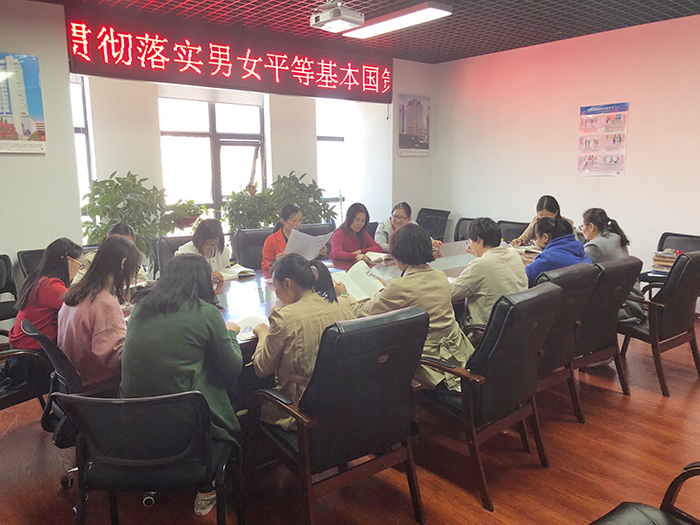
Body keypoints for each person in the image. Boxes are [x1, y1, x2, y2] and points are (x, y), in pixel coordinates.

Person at [120, 253, 243, 518]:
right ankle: (208, 484)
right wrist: (231, 333)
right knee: (217, 376)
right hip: (182, 427)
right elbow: (232, 368)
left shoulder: (141, 306)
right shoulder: (207, 313)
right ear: (204, 282)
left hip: (132, 421)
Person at [338, 223, 474, 392]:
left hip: (431, 365)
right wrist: (385, 290)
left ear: (398, 254)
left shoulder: (401, 287)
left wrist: (345, 294)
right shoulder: (439, 276)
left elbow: (362, 312)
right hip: (459, 354)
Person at [252, 254, 355, 429]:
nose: (276, 294)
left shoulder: (285, 317)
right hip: (343, 403)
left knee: (251, 403)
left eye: (275, 288)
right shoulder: (345, 305)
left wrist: (263, 334)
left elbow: (262, 369)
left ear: (287, 283)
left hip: (300, 411)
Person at [58, 236, 141, 392]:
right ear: (123, 264)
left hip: (75, 377)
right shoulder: (104, 302)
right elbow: (116, 358)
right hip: (99, 384)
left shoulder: (76, 292)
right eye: (134, 269)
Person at [1, 238, 83, 392]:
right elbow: (81, 309)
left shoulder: (38, 279)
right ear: (68, 261)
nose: (79, 270)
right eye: (80, 264)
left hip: (20, 356)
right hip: (31, 362)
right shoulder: (51, 286)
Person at [451, 218, 528, 326]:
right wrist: (481, 256)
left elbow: (451, 293)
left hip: (483, 329)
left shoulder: (481, 265)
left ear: (478, 239)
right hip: (514, 325)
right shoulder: (514, 256)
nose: (469, 245)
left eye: (469, 241)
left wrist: (447, 280)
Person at [581, 208, 646, 323]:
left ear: (591, 226)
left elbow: (580, 272)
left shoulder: (594, 247)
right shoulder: (617, 237)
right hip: (635, 303)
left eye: (582, 226)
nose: (581, 230)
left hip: (621, 308)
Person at [525, 217, 592, 287]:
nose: (535, 242)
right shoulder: (581, 251)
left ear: (545, 237)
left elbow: (523, 281)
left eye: (536, 238)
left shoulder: (547, 258)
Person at [72, 223, 148, 284]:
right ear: (107, 239)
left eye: (128, 244)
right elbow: (76, 285)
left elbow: (145, 284)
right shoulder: (91, 259)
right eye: (117, 243)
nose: (123, 249)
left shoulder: (131, 258)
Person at [261, 204, 328, 272]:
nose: (298, 224)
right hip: (282, 274)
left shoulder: (304, 237)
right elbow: (265, 265)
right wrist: (276, 262)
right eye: (294, 221)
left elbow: (310, 260)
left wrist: (320, 253)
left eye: (300, 220)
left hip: (303, 273)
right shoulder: (272, 239)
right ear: (283, 221)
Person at [175, 219, 231, 284]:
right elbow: (180, 279)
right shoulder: (184, 253)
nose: (211, 247)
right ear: (199, 239)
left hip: (219, 288)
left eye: (215, 244)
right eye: (207, 243)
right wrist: (204, 275)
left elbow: (226, 273)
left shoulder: (223, 250)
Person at [330, 202, 382, 269]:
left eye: (363, 221)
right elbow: (337, 253)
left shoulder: (362, 233)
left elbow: (378, 248)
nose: (359, 224)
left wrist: (360, 251)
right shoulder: (338, 234)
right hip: (339, 268)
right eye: (357, 220)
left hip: (356, 267)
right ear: (350, 218)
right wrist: (356, 256)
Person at [376, 202, 443, 253]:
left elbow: (424, 237)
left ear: (408, 219)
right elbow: (379, 244)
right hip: (388, 259)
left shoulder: (412, 225)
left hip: (408, 258)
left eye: (402, 217)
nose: (398, 220)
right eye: (395, 216)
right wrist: (402, 249)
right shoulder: (384, 225)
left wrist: (432, 242)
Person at [511, 195, 576, 246]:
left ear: (555, 213)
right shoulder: (536, 221)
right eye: (541, 215)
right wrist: (519, 241)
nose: (543, 219)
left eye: (548, 216)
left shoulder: (566, 224)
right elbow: (524, 238)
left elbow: (575, 244)